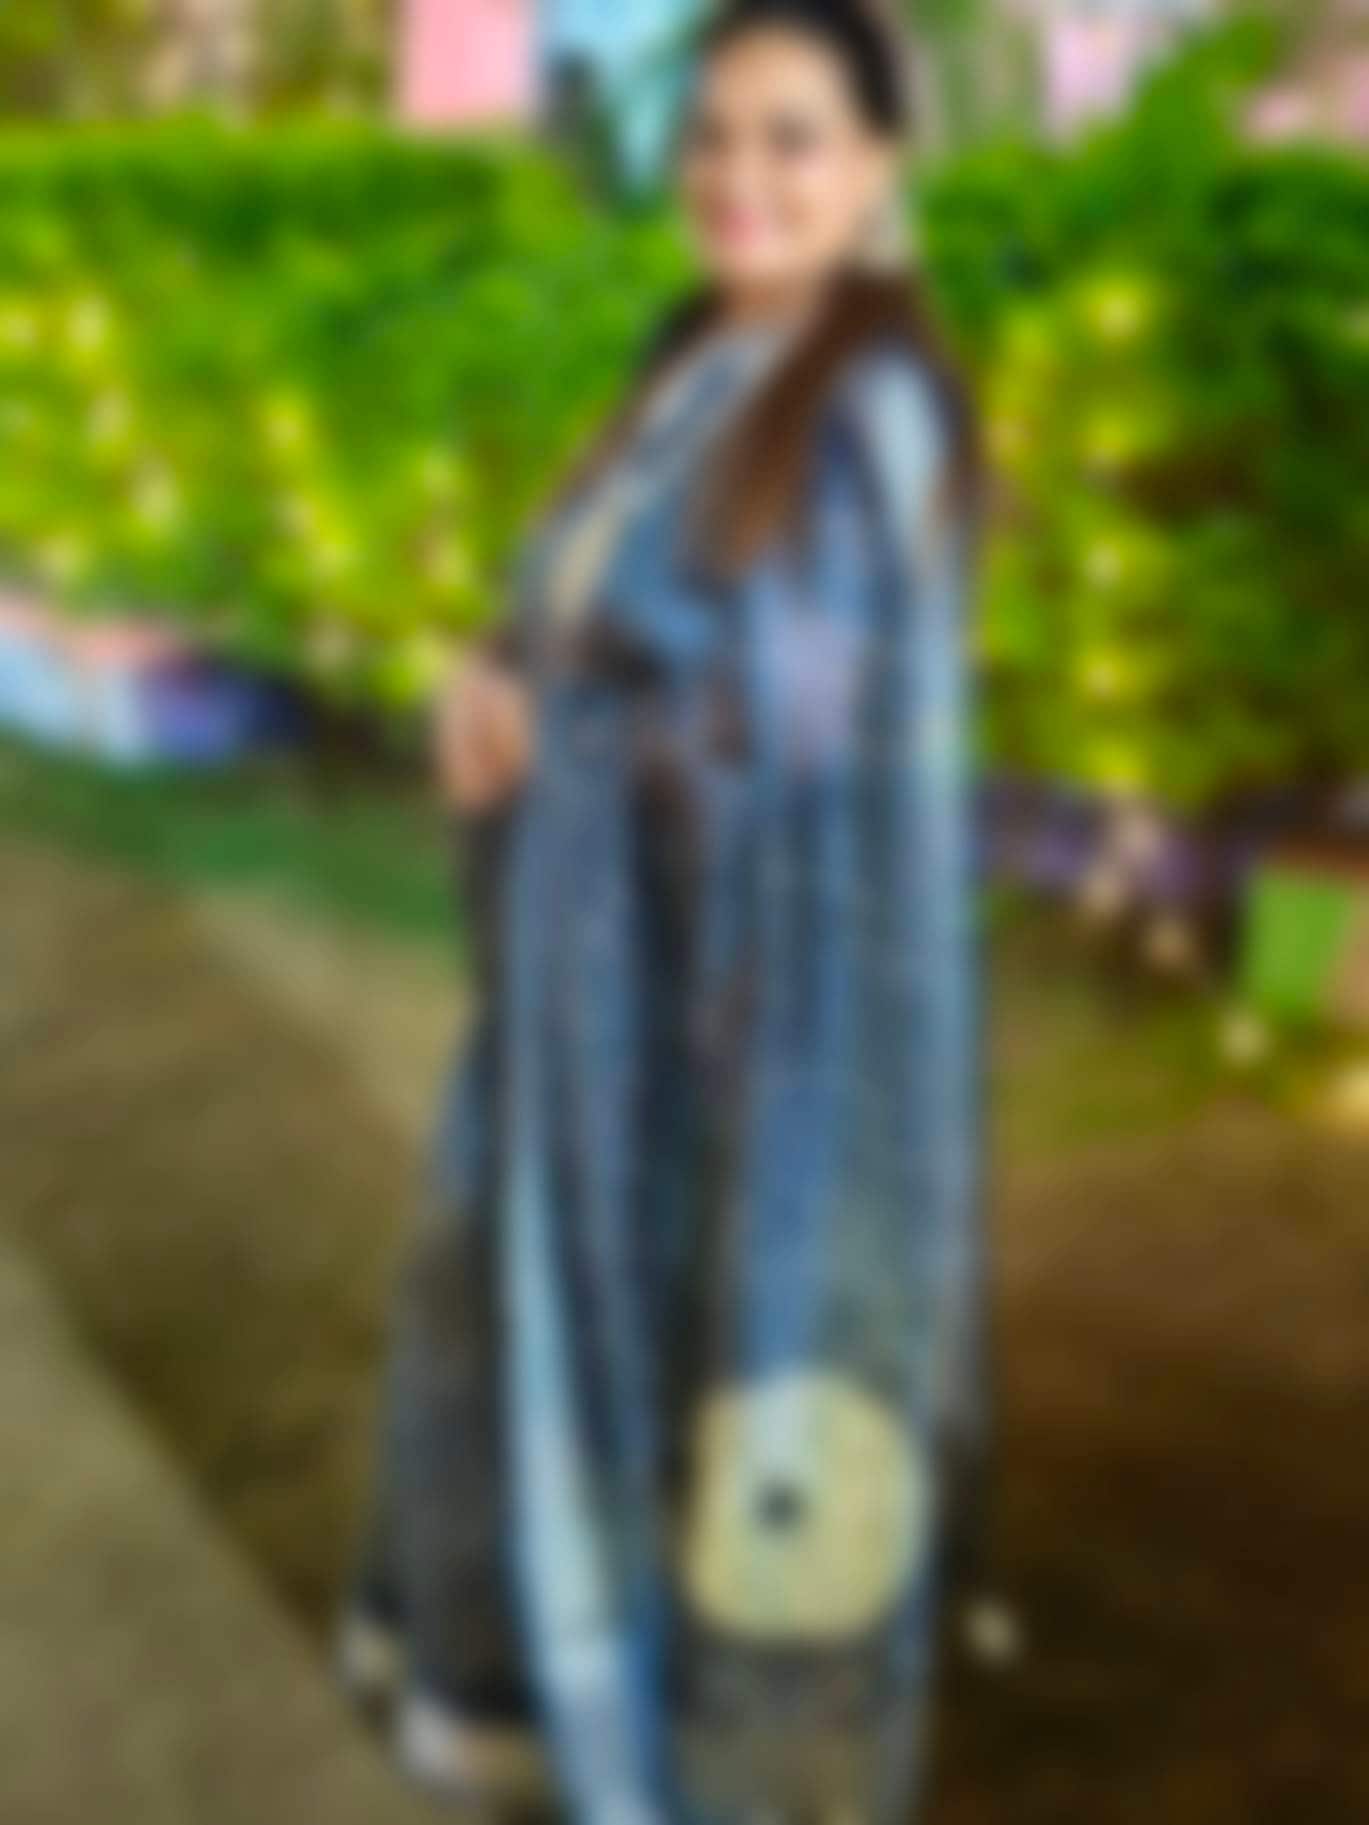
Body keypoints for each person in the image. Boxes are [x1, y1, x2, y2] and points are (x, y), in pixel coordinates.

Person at [341, 3, 990, 1820]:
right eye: (710, 134)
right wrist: (494, 683)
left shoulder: (869, 420)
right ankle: (518, 1691)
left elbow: (798, 755)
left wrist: (566, 729)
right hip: (589, 1000)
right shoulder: (694, 358)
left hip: (755, 1039)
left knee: (733, 1388)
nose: (736, 176)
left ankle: (726, 1772)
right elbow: (582, 613)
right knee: (510, 1312)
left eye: (792, 137)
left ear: (876, 167)